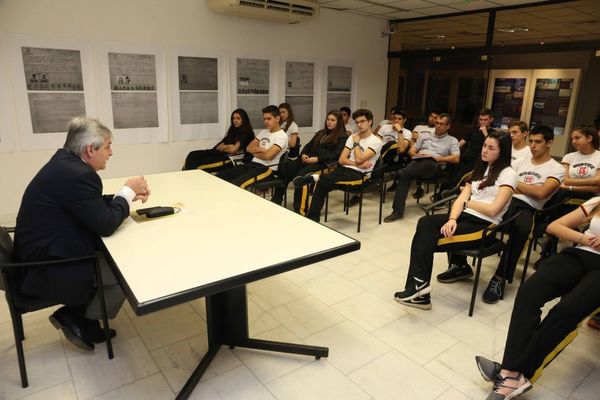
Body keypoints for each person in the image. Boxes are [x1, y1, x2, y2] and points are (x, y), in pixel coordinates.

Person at [14, 117, 150, 351]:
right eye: (107, 146)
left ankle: (81, 318)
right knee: (125, 274)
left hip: (35, 253)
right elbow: (105, 224)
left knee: (112, 257)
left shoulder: (65, 164)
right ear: (90, 149)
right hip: (46, 266)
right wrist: (126, 193)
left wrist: (123, 199)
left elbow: (86, 205)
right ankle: (78, 318)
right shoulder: (79, 175)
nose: (111, 152)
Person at [475, 198, 600, 399]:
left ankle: (509, 373)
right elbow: (554, 226)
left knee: (566, 311)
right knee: (528, 292)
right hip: (582, 252)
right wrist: (586, 239)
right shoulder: (597, 201)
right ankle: (513, 376)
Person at [437, 125, 564, 304]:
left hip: (527, 208)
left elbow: (542, 193)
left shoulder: (556, 168)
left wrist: (511, 184)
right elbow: (498, 180)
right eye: (532, 141)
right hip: (502, 200)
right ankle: (460, 265)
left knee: (522, 229)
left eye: (539, 142)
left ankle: (499, 278)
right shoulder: (522, 161)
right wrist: (506, 186)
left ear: (549, 143)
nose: (534, 145)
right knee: (467, 213)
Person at [394, 132, 516, 309]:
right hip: (466, 217)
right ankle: (418, 289)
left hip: (484, 226)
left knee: (426, 242)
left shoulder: (508, 174)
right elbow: (461, 199)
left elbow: (493, 209)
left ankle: (418, 291)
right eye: (484, 146)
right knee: (425, 223)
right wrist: (452, 219)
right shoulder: (481, 169)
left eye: (491, 148)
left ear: (502, 151)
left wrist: (469, 203)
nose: (485, 151)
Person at [293, 109, 382, 222]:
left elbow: (359, 158)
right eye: (357, 122)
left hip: (360, 176)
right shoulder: (352, 137)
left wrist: (356, 144)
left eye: (362, 121)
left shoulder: (375, 141)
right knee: (321, 184)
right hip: (344, 169)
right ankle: (313, 219)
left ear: (370, 122)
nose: (359, 125)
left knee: (324, 180)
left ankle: (316, 178)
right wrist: (357, 163)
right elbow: (341, 160)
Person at [384, 113, 460, 222]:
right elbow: (411, 150)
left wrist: (438, 158)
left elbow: (456, 158)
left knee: (429, 161)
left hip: (435, 168)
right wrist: (417, 154)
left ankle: (396, 174)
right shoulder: (425, 136)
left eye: (441, 124)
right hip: (417, 164)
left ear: (448, 126)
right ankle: (397, 212)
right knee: (405, 176)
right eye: (437, 123)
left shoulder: (452, 140)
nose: (438, 126)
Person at [271, 110, 347, 213]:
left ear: (339, 122)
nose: (329, 122)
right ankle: (276, 200)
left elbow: (336, 155)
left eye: (333, 120)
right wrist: (303, 154)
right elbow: (309, 145)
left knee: (301, 177)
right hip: (307, 158)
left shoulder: (342, 136)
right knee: (286, 170)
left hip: (323, 164)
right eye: (328, 119)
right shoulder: (321, 132)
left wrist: (317, 159)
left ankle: (300, 211)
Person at [216, 105, 288, 188]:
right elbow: (248, 148)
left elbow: (268, 156)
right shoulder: (264, 132)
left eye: (269, 118)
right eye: (264, 119)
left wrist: (255, 153)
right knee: (219, 177)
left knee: (236, 185)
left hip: (267, 169)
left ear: (277, 118)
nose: (266, 121)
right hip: (251, 165)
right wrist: (262, 151)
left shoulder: (282, 136)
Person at [435, 108, 496, 200]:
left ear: (491, 119)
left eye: (485, 120)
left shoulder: (493, 134)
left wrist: (485, 133)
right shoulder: (472, 129)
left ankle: (444, 197)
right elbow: (461, 143)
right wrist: (452, 152)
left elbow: (491, 145)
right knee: (450, 170)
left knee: (460, 175)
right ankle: (441, 193)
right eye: (481, 120)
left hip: (478, 160)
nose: (482, 122)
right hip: (466, 156)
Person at [182, 109, 255, 172]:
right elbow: (218, 147)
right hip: (219, 153)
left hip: (230, 159)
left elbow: (233, 150)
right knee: (192, 155)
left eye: (238, 118)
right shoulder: (232, 131)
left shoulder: (246, 133)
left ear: (244, 120)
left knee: (200, 165)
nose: (235, 120)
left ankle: (188, 179)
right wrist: (228, 146)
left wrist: (226, 147)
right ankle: (186, 177)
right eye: (233, 118)